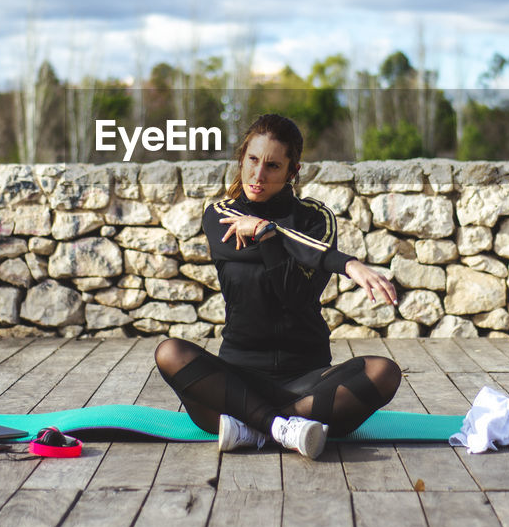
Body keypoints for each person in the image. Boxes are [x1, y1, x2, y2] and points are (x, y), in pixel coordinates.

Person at [154, 113, 402, 459]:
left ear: (292, 172)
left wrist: (267, 236)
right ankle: (283, 428)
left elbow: (294, 295)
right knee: (170, 352)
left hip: (308, 381)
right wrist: (345, 262)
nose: (258, 175)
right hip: (237, 379)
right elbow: (301, 250)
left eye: (272, 166)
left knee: (384, 371)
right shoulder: (221, 214)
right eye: (252, 160)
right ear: (241, 159)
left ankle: (255, 427)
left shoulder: (316, 219)